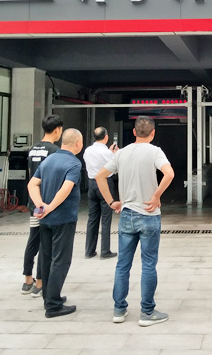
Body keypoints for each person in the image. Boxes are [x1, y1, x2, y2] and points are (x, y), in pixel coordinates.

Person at [95, 116, 174, 326]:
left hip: (126, 214)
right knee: (148, 265)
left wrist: (111, 202)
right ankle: (147, 312)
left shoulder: (121, 153)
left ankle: (119, 310)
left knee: (122, 265)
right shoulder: (155, 152)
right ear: (153, 133)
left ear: (134, 132)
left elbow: (100, 176)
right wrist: (156, 196)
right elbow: (169, 174)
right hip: (149, 215)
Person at [27, 128, 83, 318]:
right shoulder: (74, 163)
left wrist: (40, 205)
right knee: (61, 260)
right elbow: (66, 189)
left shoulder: (48, 160)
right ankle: (53, 305)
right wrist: (50, 207)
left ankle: (49, 297)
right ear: (78, 144)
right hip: (63, 218)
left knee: (47, 257)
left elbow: (32, 184)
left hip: (44, 219)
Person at [22, 114, 63, 297]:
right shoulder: (55, 151)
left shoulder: (33, 149)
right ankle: (39, 282)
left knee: (33, 239)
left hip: (34, 202)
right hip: (46, 202)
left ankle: (27, 279)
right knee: (46, 243)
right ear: (57, 130)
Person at [83, 127, 119, 259]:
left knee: (92, 218)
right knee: (106, 218)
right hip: (105, 183)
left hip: (92, 183)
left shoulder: (87, 150)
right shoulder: (107, 153)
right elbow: (114, 168)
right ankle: (105, 250)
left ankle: (89, 250)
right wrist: (115, 154)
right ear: (106, 137)